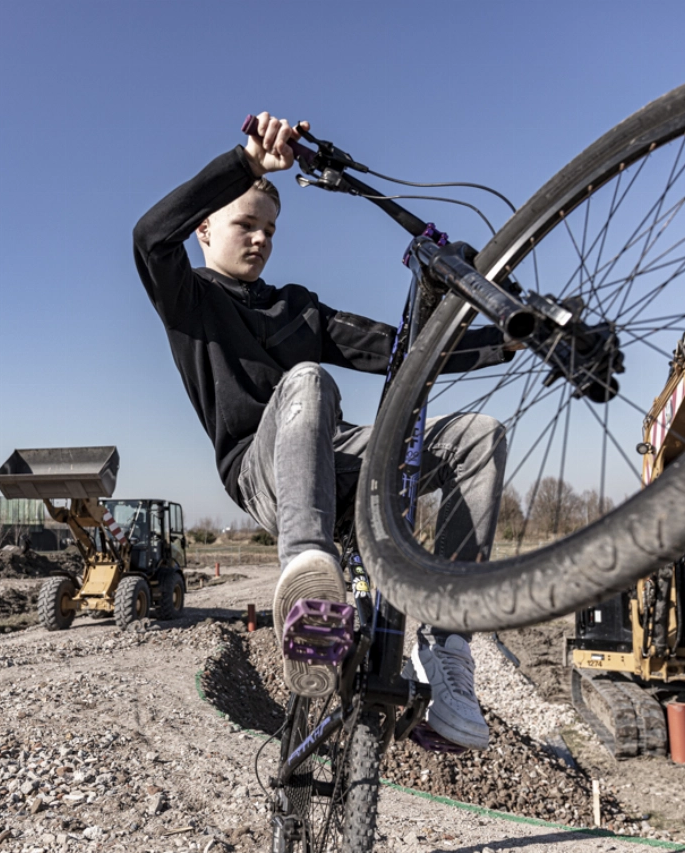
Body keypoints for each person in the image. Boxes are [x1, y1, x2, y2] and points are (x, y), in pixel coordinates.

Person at [132, 113, 511, 749]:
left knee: (480, 434)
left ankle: (447, 653)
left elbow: (399, 350)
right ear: (203, 229)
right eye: (244, 224)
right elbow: (148, 237)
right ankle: (306, 585)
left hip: (331, 461)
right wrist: (247, 163)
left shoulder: (296, 307)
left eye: (269, 230)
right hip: (263, 472)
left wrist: (512, 339)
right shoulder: (189, 298)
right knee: (307, 379)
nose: (259, 240)